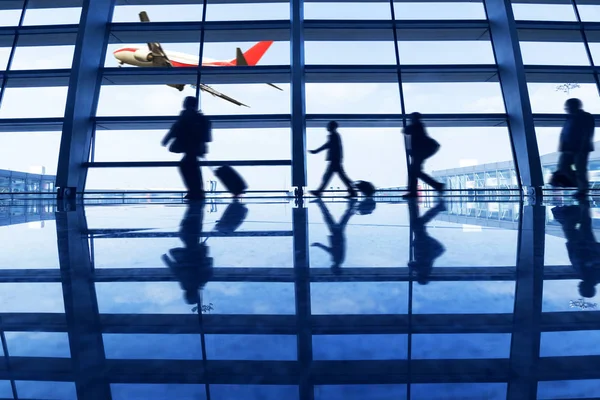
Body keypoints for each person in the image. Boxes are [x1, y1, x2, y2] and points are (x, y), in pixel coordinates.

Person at [162, 96, 212, 200]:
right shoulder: (201, 118)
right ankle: (196, 191)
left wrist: (166, 141)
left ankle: (195, 192)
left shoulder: (185, 115)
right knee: (192, 168)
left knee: (187, 167)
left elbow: (175, 129)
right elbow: (207, 136)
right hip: (195, 147)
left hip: (188, 147)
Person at [550, 98, 595, 199]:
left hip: (580, 149)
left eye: (568, 106)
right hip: (568, 149)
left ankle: (582, 189)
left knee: (580, 169)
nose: (566, 109)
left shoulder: (585, 117)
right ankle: (579, 185)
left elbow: (587, 133)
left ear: (575, 106)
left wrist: (581, 148)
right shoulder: (570, 117)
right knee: (563, 167)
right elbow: (565, 134)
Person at [309, 121, 357, 198]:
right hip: (336, 160)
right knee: (339, 177)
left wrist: (316, 151)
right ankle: (353, 190)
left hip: (334, 160)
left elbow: (327, 145)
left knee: (329, 176)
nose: (327, 127)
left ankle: (319, 191)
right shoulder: (336, 135)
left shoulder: (334, 136)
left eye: (328, 126)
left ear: (332, 127)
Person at [402, 112, 445, 199]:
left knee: (414, 172)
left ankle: (415, 191)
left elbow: (406, 131)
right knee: (415, 172)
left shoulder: (417, 126)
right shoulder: (418, 126)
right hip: (422, 151)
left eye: (411, 118)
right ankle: (437, 186)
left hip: (421, 151)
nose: (410, 120)